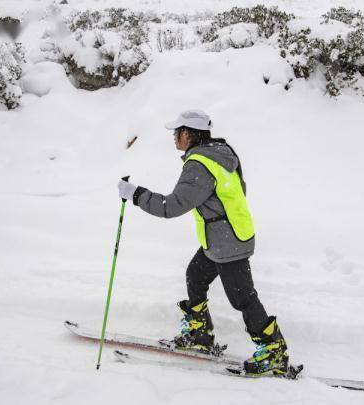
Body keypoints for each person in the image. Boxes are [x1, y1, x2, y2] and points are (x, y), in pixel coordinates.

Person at [117, 109, 289, 376]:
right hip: (223, 237)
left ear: (188, 134)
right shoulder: (220, 153)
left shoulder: (199, 164)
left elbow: (170, 206)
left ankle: (273, 351)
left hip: (228, 242)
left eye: (177, 132)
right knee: (195, 276)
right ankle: (200, 335)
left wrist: (136, 194)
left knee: (242, 297)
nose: (174, 137)